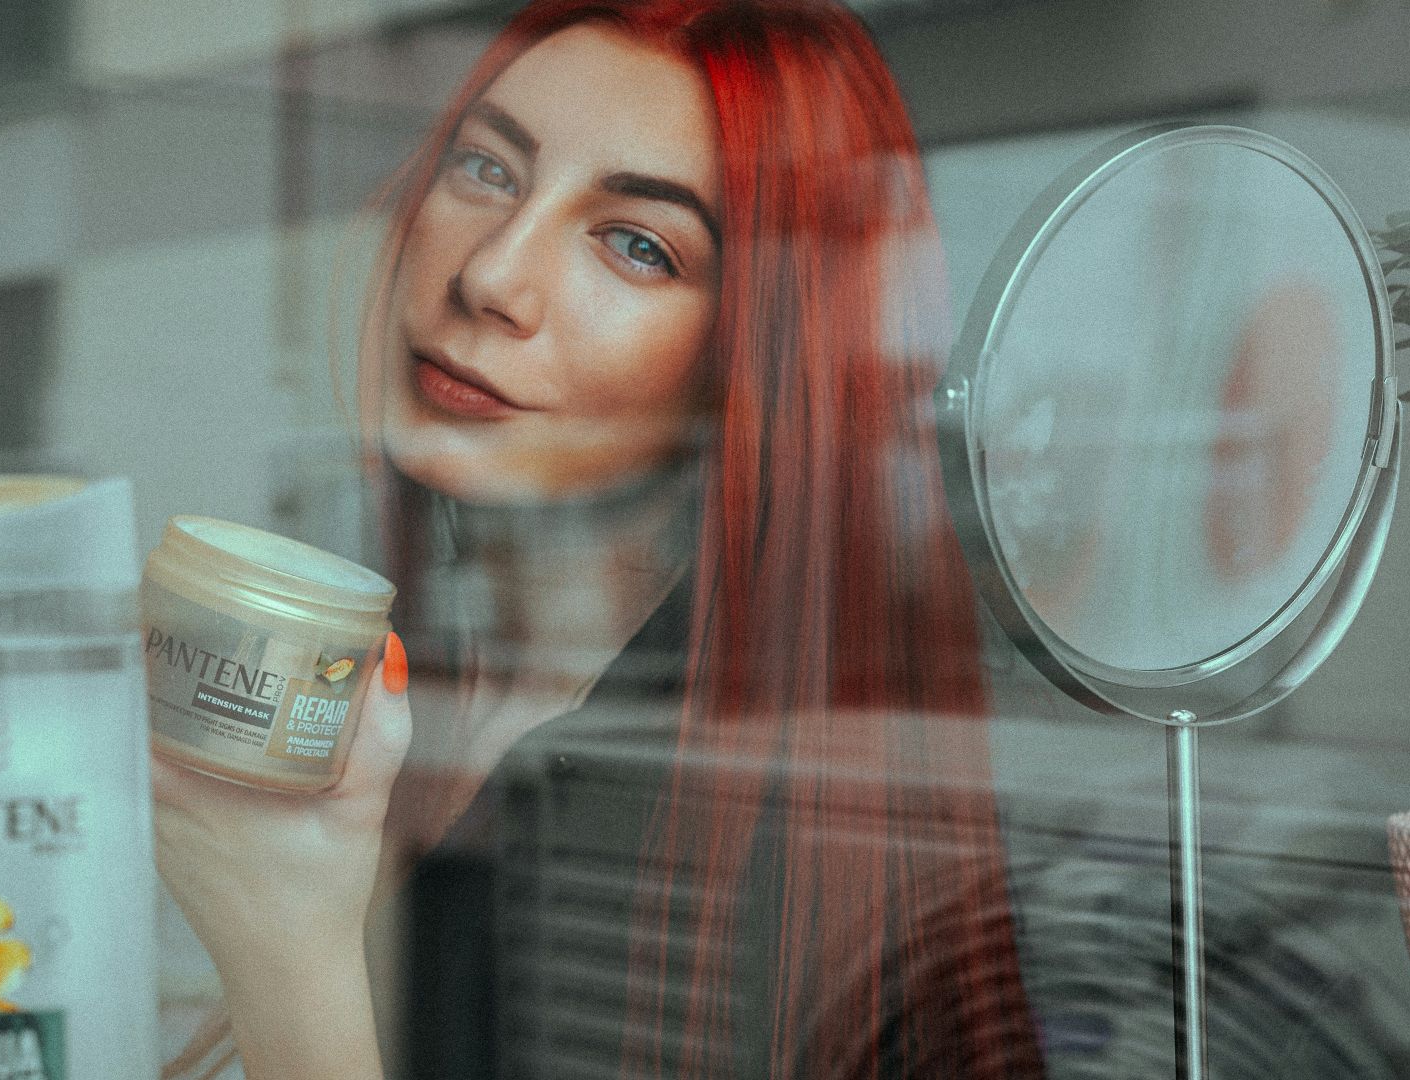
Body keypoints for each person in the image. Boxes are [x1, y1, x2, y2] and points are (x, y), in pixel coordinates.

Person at [153, 0, 1046, 1076]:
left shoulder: (718, 836)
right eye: (487, 170)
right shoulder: (419, 701)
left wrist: (286, 951)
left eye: (636, 246)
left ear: (752, 354)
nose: (492, 276)